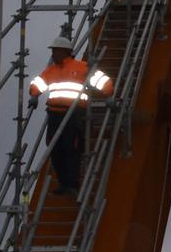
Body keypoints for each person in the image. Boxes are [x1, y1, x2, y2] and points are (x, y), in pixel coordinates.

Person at [28, 34, 112, 196]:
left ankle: (72, 184)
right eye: (53, 51)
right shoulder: (50, 71)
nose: (53, 54)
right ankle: (63, 183)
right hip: (55, 114)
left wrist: (108, 94)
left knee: (71, 148)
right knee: (55, 149)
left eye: (56, 50)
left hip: (75, 114)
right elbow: (38, 83)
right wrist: (34, 94)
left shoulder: (82, 68)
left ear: (65, 51)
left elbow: (104, 82)